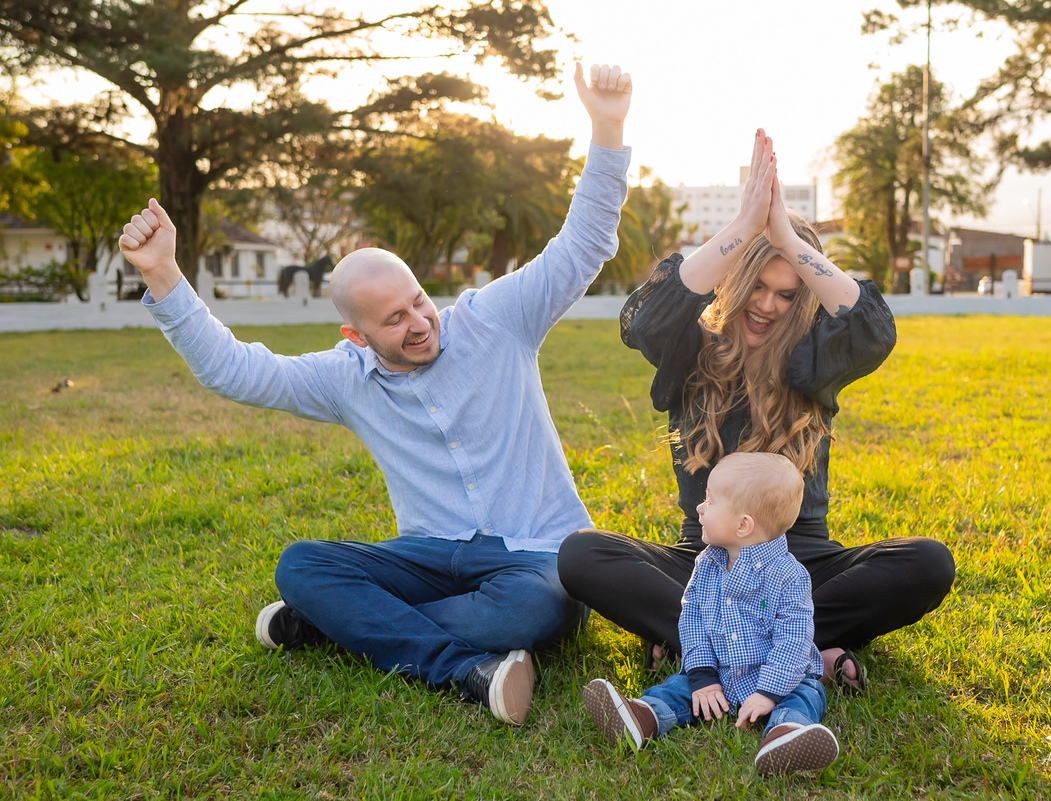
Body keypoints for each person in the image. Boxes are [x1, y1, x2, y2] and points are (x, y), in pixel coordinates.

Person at [117, 63, 634, 727]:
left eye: (418, 301)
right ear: (355, 335)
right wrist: (164, 276)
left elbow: (583, 245)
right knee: (301, 566)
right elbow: (235, 370)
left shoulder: (496, 320)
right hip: (427, 557)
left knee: (531, 612)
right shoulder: (343, 377)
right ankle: (466, 670)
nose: (419, 323)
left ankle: (340, 629)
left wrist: (608, 125)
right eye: (393, 320)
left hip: (532, 557)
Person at [558, 130, 955, 692]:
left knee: (928, 564)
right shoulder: (688, 348)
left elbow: (873, 328)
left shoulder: (815, 357)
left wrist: (787, 237)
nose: (768, 305)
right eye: (758, 286)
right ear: (737, 282)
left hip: (800, 564)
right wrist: (745, 228)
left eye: (788, 293)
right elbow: (644, 318)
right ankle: (795, 649)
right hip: (703, 563)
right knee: (581, 555)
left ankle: (701, 642)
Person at [583, 452, 838, 776]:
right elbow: (692, 620)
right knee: (679, 688)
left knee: (804, 695)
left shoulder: (789, 577)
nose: (700, 508)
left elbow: (794, 641)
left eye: (710, 502)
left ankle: (785, 735)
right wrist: (703, 675)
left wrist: (768, 692)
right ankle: (643, 716)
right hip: (719, 674)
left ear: (743, 524)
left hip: (781, 679)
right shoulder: (707, 564)